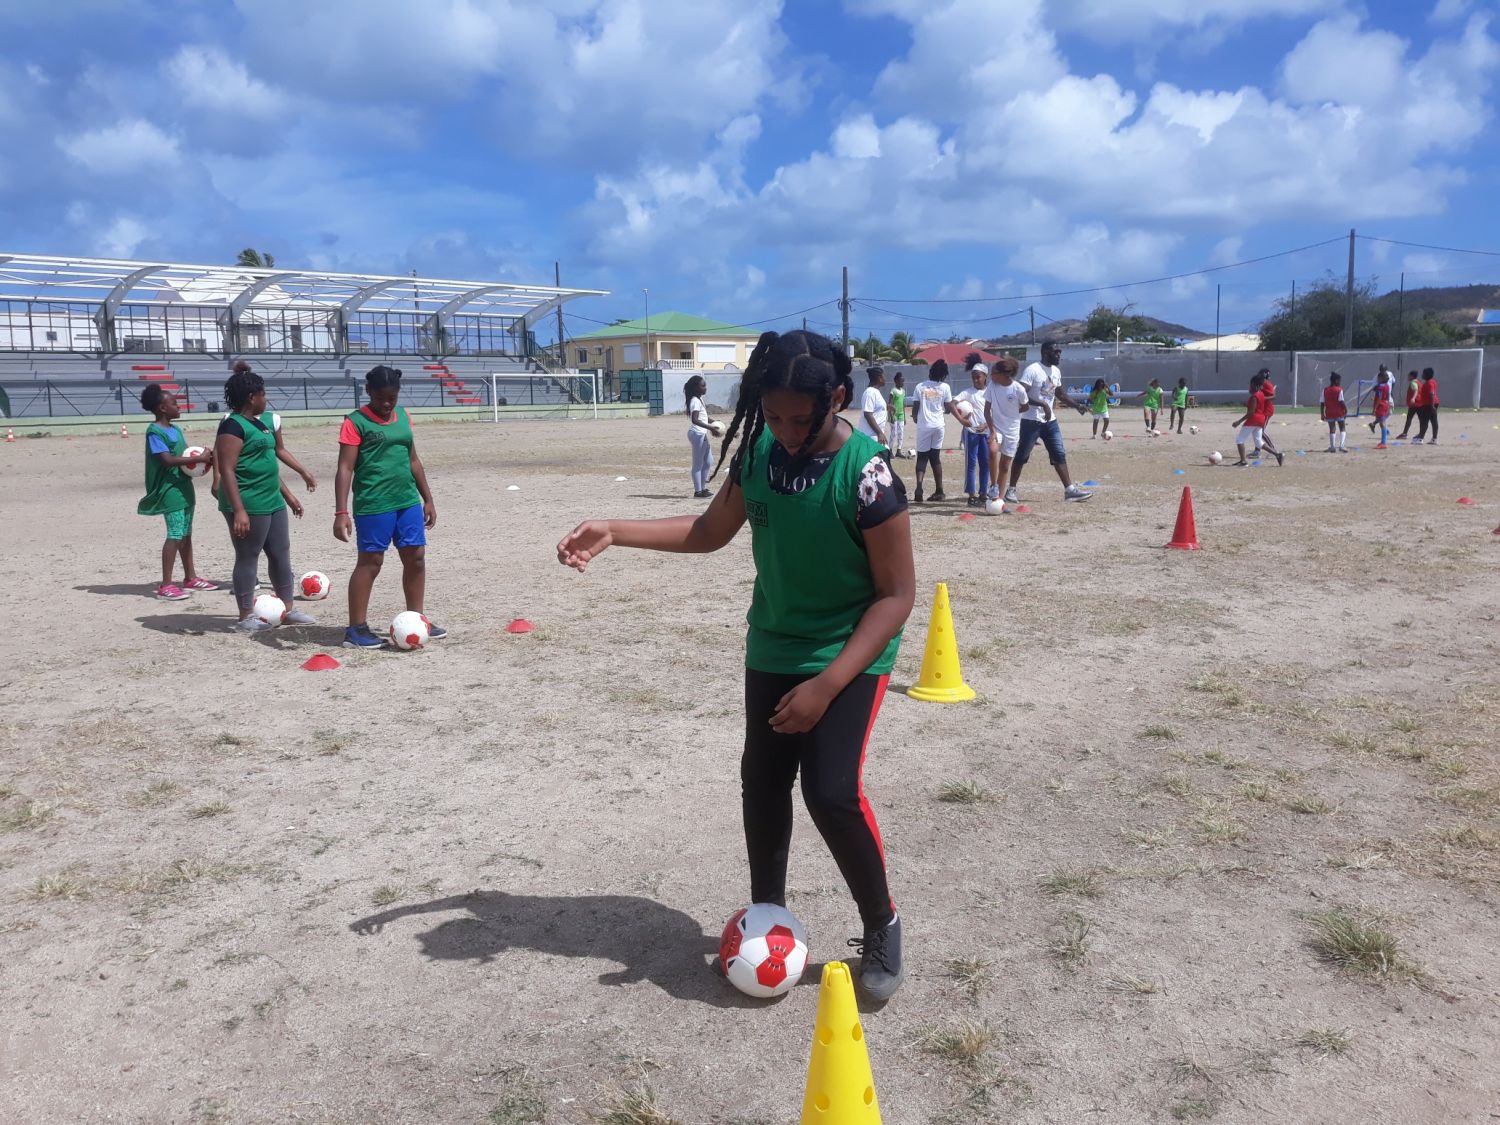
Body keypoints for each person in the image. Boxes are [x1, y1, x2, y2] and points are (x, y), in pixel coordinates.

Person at [556, 329, 914, 1003]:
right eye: (771, 416)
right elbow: (708, 532)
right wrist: (615, 529)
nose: (784, 432)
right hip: (774, 646)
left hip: (849, 651)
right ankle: (766, 915)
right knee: (764, 782)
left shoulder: (868, 475)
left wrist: (827, 683)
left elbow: (896, 596)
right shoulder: (758, 455)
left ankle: (881, 922)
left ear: (837, 397)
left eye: (799, 419)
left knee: (831, 792)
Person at [334, 365, 446, 649]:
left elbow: (413, 460)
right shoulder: (355, 422)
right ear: (368, 391)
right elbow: (345, 468)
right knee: (371, 562)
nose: (386, 404)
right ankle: (356, 629)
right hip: (374, 504)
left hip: (406, 501)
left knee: (416, 558)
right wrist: (341, 512)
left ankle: (416, 619)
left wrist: (428, 498)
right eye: (380, 398)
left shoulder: (403, 417)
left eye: (392, 398)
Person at [214, 365, 315, 632]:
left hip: (272, 499)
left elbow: (265, 465)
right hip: (249, 501)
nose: (266, 399)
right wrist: (239, 510)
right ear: (252, 397)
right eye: (263, 394)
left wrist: (288, 496)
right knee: (248, 556)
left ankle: (287, 608)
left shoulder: (260, 424)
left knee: (280, 552)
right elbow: (227, 470)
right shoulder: (232, 427)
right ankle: (245, 615)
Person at [137, 384, 216, 600]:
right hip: (169, 489)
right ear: (162, 408)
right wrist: (198, 458)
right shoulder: (154, 432)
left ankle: (190, 577)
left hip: (184, 487)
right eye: (174, 403)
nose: (178, 406)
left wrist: (205, 459)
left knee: (186, 533)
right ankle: (166, 585)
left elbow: (185, 457)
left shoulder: (176, 430)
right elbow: (166, 460)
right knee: (174, 534)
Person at [1005, 341, 1092, 503]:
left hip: (1050, 422)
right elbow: (1020, 393)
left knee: (1059, 453)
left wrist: (1077, 406)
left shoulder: (1056, 371)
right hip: (1031, 421)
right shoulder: (1032, 370)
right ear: (1045, 352)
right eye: (1055, 352)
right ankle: (1011, 490)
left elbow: (1060, 394)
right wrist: (1042, 404)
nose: (1059, 355)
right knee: (1022, 455)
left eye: (1060, 352)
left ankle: (1069, 490)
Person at [984, 357, 1036, 509]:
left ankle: (1000, 500)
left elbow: (1025, 406)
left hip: (1012, 430)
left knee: (1005, 466)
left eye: (994, 373)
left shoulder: (1018, 389)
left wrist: (1013, 413)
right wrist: (992, 430)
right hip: (996, 428)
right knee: (992, 451)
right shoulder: (992, 386)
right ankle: (993, 486)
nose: (991, 376)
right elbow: (987, 411)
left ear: (1005, 374)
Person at [911, 358, 956, 503]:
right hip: (938, 426)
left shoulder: (920, 387)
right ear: (944, 374)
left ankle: (919, 488)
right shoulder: (945, 388)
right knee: (935, 457)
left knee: (922, 457)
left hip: (924, 426)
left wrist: (916, 418)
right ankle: (939, 490)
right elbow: (948, 408)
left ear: (931, 371)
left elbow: (915, 408)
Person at [955, 363, 991, 506]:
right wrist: (961, 420)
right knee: (971, 464)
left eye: (978, 377)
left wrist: (986, 425)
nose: (975, 380)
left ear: (985, 377)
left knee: (986, 463)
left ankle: (983, 494)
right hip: (971, 433)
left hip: (987, 433)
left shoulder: (990, 392)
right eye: (973, 377)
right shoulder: (967, 393)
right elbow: (952, 404)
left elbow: (996, 412)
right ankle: (971, 495)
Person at [685, 375, 719, 498]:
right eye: (703, 386)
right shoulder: (695, 401)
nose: (705, 388)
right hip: (697, 434)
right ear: (695, 388)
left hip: (701, 433)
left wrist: (715, 422)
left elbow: (703, 417)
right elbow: (695, 420)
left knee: (709, 461)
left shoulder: (700, 399)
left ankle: (702, 488)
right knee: (697, 464)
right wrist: (711, 428)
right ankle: (698, 491)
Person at [1230, 374, 1269, 467]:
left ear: (1255, 385)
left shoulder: (1254, 396)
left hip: (1253, 420)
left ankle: (1243, 461)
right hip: (1261, 420)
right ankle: (1278, 454)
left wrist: (1238, 422)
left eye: (1251, 385)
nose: (1249, 387)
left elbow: (1251, 412)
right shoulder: (1261, 394)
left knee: (1240, 440)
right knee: (1259, 442)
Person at [856, 365, 890, 450]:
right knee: (885, 455)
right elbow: (868, 414)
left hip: (875, 435)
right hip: (870, 436)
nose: (885, 379)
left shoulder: (875, 392)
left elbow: (876, 407)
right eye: (884, 376)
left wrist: (888, 406)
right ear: (879, 378)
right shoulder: (870, 392)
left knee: (886, 455)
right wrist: (879, 433)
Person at [1321, 372, 1349, 453]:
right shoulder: (1339, 390)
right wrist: (1346, 410)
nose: (1340, 382)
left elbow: (1322, 403)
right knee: (1342, 428)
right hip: (1339, 412)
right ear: (1336, 381)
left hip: (1329, 412)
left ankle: (1332, 447)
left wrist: (1322, 414)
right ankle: (1342, 446)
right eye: (1339, 381)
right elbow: (1341, 401)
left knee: (1332, 429)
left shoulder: (1325, 390)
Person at [1367, 368, 1393, 447]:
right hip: (1385, 404)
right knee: (1381, 421)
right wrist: (1387, 403)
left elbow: (1379, 397)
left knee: (1382, 423)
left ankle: (1383, 442)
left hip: (1380, 406)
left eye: (1378, 378)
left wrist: (1374, 408)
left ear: (1381, 378)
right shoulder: (1387, 386)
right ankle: (1383, 439)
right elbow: (1387, 396)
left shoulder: (1380, 387)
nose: (1377, 380)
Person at [1413, 368, 1440, 444]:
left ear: (1427, 375)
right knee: (1434, 421)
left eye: (1423, 373)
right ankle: (1434, 439)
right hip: (1433, 403)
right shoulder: (1433, 381)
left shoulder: (1429, 383)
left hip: (1429, 404)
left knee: (1424, 421)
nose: (1422, 375)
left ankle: (1420, 438)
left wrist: (1431, 406)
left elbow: (1431, 394)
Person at [1395, 370, 1421, 439]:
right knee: (1421, 419)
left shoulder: (1413, 382)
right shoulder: (1418, 382)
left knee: (1409, 418)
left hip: (1414, 404)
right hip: (1419, 403)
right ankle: (1421, 434)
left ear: (1412, 376)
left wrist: (1413, 398)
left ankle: (1405, 433)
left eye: (1409, 376)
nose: (1408, 377)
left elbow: (1416, 390)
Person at [888, 373, 907, 458]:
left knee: (901, 433)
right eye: (901, 381)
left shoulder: (903, 391)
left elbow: (903, 405)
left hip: (901, 415)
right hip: (894, 415)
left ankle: (899, 451)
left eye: (903, 381)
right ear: (896, 381)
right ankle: (890, 451)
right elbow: (889, 404)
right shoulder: (893, 391)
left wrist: (904, 417)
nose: (902, 383)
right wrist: (891, 416)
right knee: (894, 433)